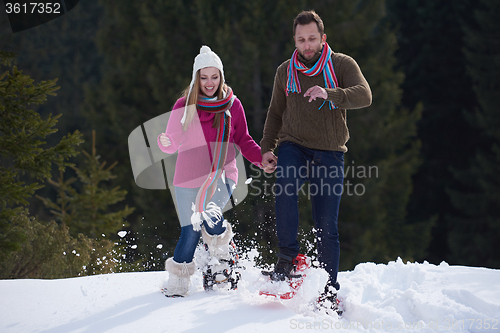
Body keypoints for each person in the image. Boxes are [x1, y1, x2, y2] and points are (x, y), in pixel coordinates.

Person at [260, 10, 372, 311]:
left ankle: (328, 290)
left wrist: (330, 93)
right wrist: (267, 148)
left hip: (330, 150)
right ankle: (288, 259)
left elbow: (364, 95)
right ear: (294, 40)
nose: (306, 45)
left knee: (327, 224)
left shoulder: (341, 64)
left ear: (323, 38)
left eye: (312, 39)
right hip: (293, 145)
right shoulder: (286, 70)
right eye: (301, 40)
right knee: (285, 185)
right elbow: (274, 113)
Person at [158, 46, 263, 297]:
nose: (209, 83)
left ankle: (224, 256)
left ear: (221, 76)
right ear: (196, 78)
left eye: (214, 77)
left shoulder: (232, 105)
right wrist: (166, 142)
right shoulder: (184, 105)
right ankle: (179, 280)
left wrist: (262, 159)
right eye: (204, 77)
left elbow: (243, 139)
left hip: (222, 174)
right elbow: (173, 138)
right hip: (187, 176)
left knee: (210, 217)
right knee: (191, 229)